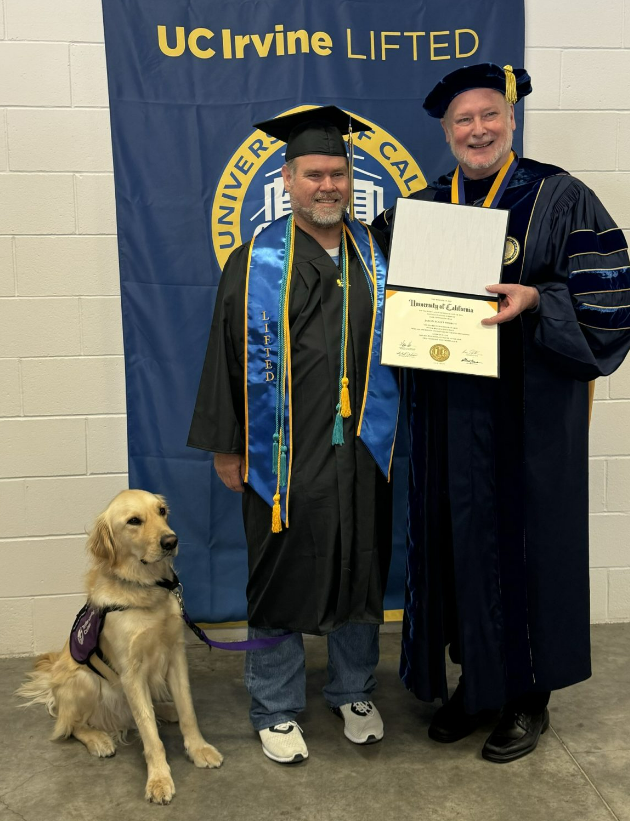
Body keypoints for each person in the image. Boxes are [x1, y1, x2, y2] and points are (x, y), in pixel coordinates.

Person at [373, 63, 630, 763]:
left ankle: (528, 696)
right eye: (463, 120)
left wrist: (539, 303)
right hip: (449, 420)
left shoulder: (560, 197)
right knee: (456, 547)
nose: (478, 129)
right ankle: (477, 683)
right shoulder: (427, 208)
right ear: (447, 131)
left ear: (511, 120)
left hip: (528, 420)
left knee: (528, 548)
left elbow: (610, 303)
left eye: (489, 115)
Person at [188, 106, 399, 764]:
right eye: (314, 174)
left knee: (361, 563)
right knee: (280, 567)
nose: (327, 185)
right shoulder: (254, 263)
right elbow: (225, 354)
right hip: (282, 449)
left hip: (363, 443)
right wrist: (228, 442)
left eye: (337, 173)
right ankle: (274, 704)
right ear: (286, 179)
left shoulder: (377, 255)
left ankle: (353, 688)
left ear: (351, 180)